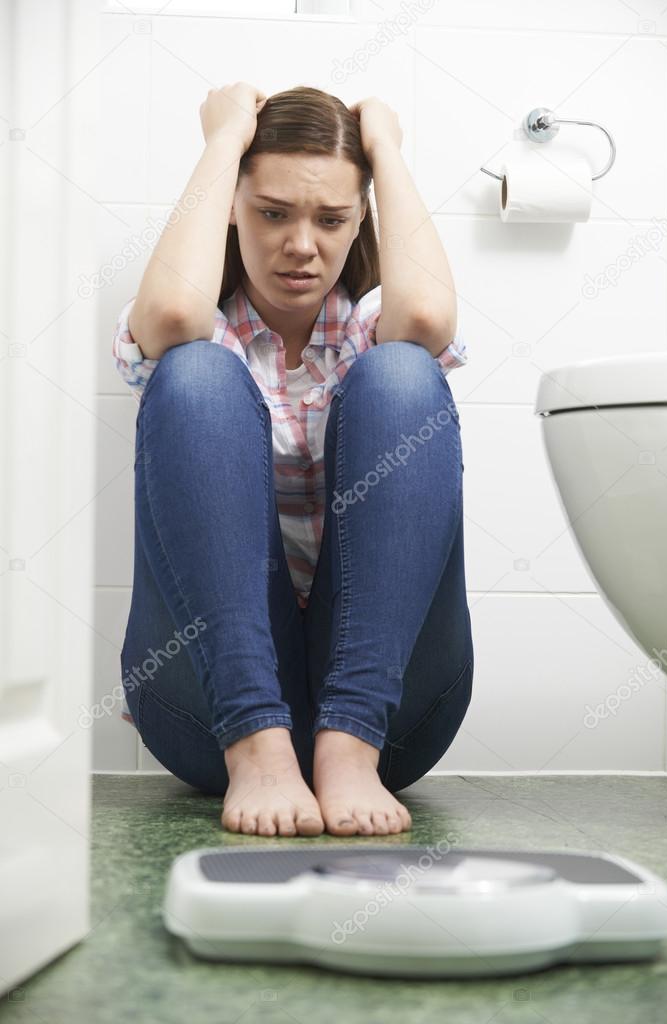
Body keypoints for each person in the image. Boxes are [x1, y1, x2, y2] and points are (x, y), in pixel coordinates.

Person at [113, 82, 473, 838]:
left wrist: (386, 151)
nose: (301, 244)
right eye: (272, 212)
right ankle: (258, 743)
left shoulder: (374, 322)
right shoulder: (201, 323)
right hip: (209, 718)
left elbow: (429, 318)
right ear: (232, 208)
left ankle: (348, 745)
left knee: (405, 372)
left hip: (392, 722)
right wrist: (221, 142)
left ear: (358, 221)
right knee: (195, 374)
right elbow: (176, 316)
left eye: (331, 218)